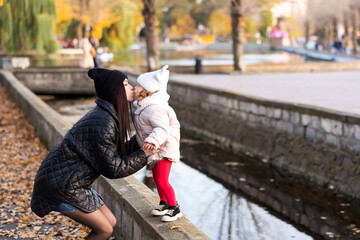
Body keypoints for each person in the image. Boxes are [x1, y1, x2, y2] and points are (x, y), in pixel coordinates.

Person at [31, 68, 159, 240]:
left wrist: (141, 139)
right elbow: (113, 169)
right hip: (61, 184)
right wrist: (144, 154)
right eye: (126, 84)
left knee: (111, 222)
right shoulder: (103, 122)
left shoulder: (106, 116)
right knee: (104, 230)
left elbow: (115, 153)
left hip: (72, 182)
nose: (131, 87)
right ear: (116, 91)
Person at [133, 65, 182, 222]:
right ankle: (164, 203)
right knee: (156, 178)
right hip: (156, 149)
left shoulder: (155, 108)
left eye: (138, 85)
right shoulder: (146, 107)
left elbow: (162, 128)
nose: (135, 87)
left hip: (163, 147)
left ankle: (174, 207)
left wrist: (152, 140)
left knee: (162, 180)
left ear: (148, 89)